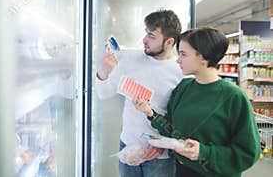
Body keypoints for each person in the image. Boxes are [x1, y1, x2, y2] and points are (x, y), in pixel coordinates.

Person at [133, 27, 261, 177]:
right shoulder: (184, 87)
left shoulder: (233, 97)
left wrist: (204, 152)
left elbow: (248, 153)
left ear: (202, 57)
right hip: (180, 170)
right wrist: (150, 113)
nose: (178, 60)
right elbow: (173, 131)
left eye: (183, 54)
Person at [95, 9, 183, 177]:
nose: (144, 40)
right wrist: (103, 73)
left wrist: (164, 145)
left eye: (152, 36)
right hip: (127, 146)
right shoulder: (130, 59)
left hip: (160, 157)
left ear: (169, 42)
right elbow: (104, 93)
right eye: (146, 33)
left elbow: (182, 121)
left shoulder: (181, 71)